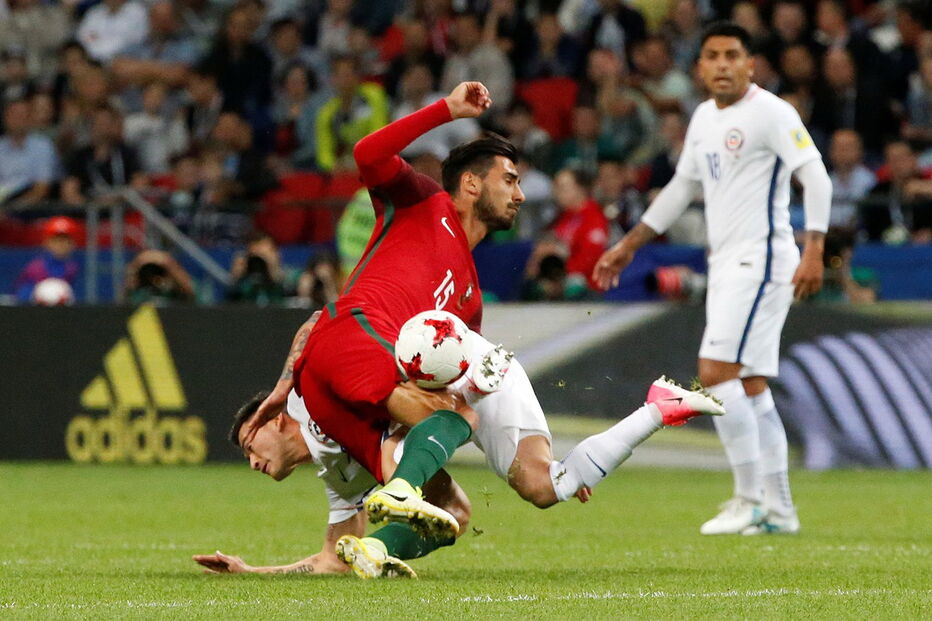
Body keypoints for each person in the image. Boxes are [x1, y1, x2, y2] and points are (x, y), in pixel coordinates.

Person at [196, 320, 724, 578]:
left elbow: (319, 320)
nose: (251, 459)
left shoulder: (312, 393)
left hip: (466, 369)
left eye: (249, 441)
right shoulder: (339, 478)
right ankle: (660, 407)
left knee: (413, 441)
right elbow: (332, 559)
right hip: (448, 407)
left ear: (275, 418)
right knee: (545, 489)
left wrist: (285, 383)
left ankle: (424, 453)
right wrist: (252, 573)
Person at [242, 81, 524, 546]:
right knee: (461, 417)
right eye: (510, 181)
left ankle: (375, 549)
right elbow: (368, 153)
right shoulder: (425, 203)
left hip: (344, 399)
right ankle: (401, 488)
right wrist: (447, 110)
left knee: (454, 512)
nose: (520, 195)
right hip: (351, 338)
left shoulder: (470, 299)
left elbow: (440, 384)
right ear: (472, 183)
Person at [593, 22, 833, 536]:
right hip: (726, 262)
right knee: (750, 384)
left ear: (750, 64)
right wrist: (629, 244)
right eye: (712, 56)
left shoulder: (772, 112)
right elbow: (682, 186)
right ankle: (779, 509)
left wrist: (815, 247)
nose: (722, 64)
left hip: (763, 258)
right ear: (699, 67)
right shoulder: (703, 117)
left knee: (715, 368)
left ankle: (748, 499)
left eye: (732, 55)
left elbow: (815, 175)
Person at [14, 215, 80, 303]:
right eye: (56, 240)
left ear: (73, 243)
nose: (61, 245)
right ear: (46, 242)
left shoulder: (77, 268)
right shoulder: (35, 269)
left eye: (65, 240)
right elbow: (21, 296)